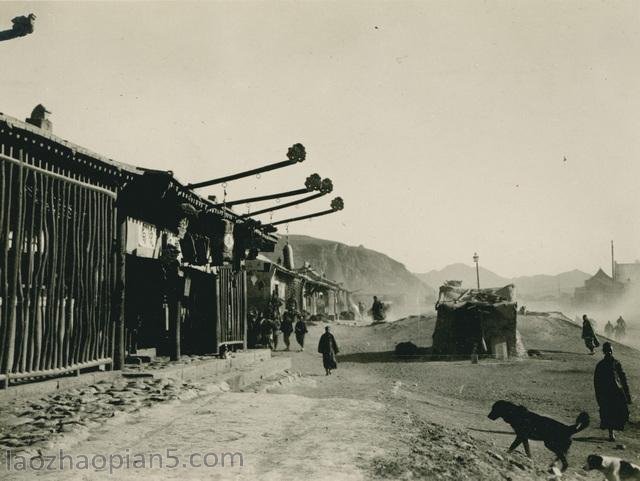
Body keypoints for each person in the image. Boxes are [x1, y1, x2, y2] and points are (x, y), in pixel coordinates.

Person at [594, 342, 632, 441]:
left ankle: (614, 430)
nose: (609, 353)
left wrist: (627, 394)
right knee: (608, 413)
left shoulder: (616, 363)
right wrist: (599, 396)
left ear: (612, 351)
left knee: (622, 411)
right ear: (604, 352)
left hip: (617, 392)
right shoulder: (600, 365)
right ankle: (611, 433)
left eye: (610, 350)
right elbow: (597, 382)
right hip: (606, 393)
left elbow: (623, 379)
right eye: (607, 351)